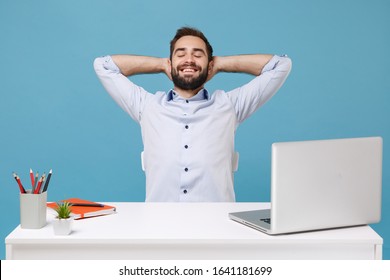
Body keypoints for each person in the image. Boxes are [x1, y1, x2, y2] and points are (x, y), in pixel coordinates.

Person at [94, 26, 292, 202]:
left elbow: (280, 65)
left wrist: (221, 63)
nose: (189, 59)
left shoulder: (230, 105)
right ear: (171, 63)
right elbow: (103, 65)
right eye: (180, 54)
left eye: (198, 55)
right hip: (160, 227)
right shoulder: (147, 106)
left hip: (217, 228)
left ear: (209, 64)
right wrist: (161, 64)